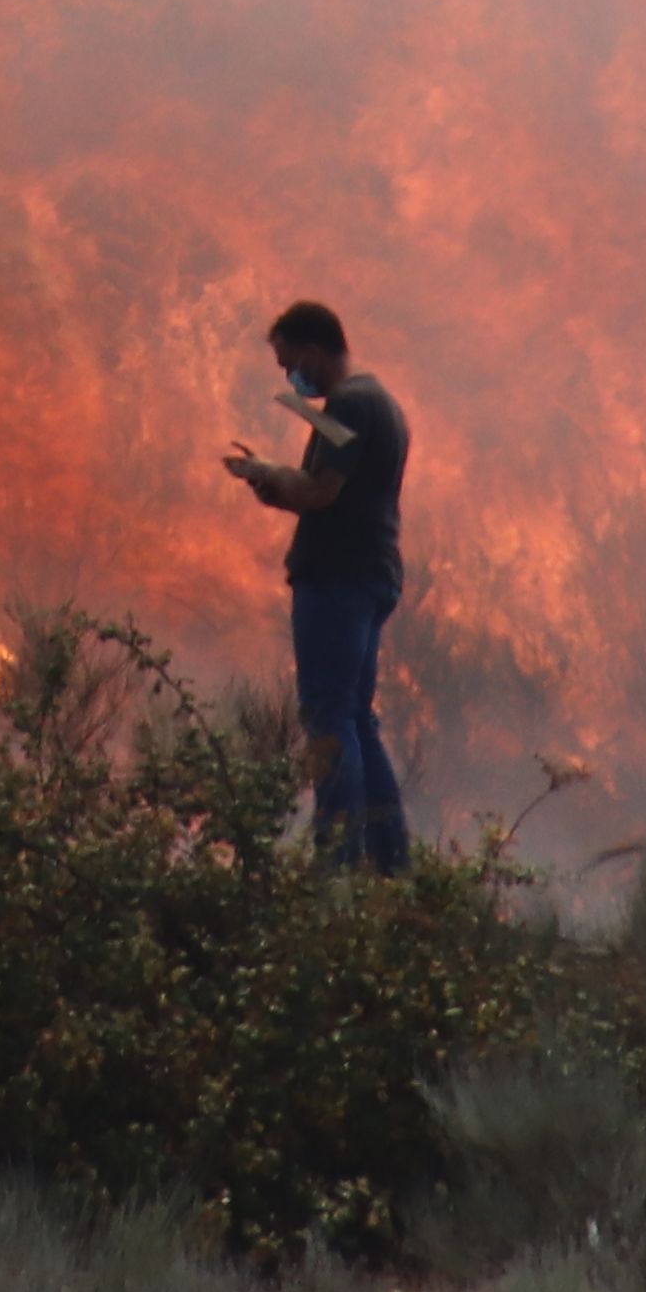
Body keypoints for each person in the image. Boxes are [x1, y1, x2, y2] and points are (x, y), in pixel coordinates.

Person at [216, 298, 413, 869]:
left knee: (329, 717)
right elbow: (329, 486)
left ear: (313, 348)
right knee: (355, 717)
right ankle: (388, 864)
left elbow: (319, 492)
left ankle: (336, 865)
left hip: (338, 579)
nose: (289, 377)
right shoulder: (378, 404)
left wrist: (264, 476)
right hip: (370, 574)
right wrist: (277, 479)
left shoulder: (351, 404)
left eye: (288, 363)